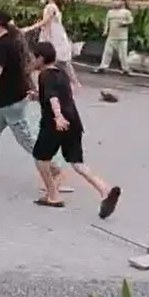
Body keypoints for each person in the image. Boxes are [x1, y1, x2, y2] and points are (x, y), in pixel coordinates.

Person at [0, 9, 70, 195]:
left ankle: (55, 170)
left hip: (11, 101)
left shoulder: (2, 46)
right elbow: (24, 69)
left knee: (26, 139)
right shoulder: (14, 41)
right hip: (7, 99)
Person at [30, 41, 120, 216]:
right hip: (74, 122)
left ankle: (53, 195)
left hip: (55, 124)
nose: (32, 61)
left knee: (41, 159)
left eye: (33, 58)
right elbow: (60, 94)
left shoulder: (45, 75)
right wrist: (37, 96)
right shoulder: (61, 73)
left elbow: (54, 98)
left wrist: (57, 117)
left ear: (40, 58)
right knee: (77, 163)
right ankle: (105, 190)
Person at [23, 0, 80, 89]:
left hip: (52, 35)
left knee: (42, 60)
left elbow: (46, 22)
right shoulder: (56, 6)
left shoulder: (49, 7)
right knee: (63, 62)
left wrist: (30, 29)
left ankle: (38, 84)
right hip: (59, 35)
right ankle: (76, 83)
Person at [96, 0, 134, 74]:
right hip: (111, 36)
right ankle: (103, 66)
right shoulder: (110, 12)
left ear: (123, 1)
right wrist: (105, 31)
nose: (115, 2)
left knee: (123, 54)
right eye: (114, 0)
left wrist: (125, 23)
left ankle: (125, 69)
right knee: (107, 52)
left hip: (122, 37)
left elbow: (131, 21)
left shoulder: (126, 12)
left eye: (118, 0)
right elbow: (107, 23)